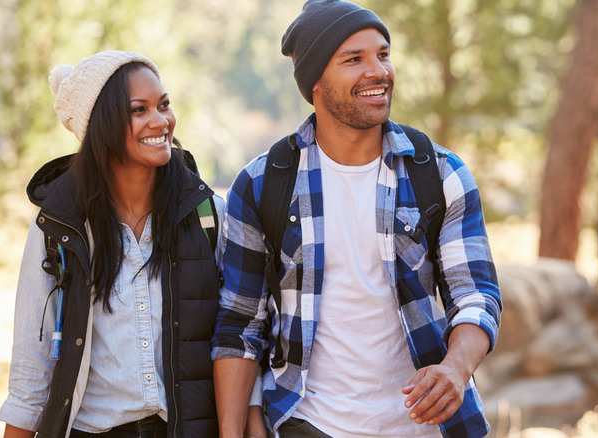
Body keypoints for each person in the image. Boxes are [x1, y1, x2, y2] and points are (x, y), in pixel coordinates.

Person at [212, 1, 503, 437]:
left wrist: (456, 369)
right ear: (314, 83)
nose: (378, 71)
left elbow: (475, 294)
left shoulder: (440, 173)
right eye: (354, 59)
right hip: (307, 422)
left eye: (383, 54)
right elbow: (239, 325)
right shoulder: (261, 184)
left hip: (425, 427)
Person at [0, 50, 264, 438]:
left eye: (164, 105)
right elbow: (31, 369)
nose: (161, 121)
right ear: (101, 126)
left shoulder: (209, 215)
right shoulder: (59, 228)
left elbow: (242, 336)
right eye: (139, 110)